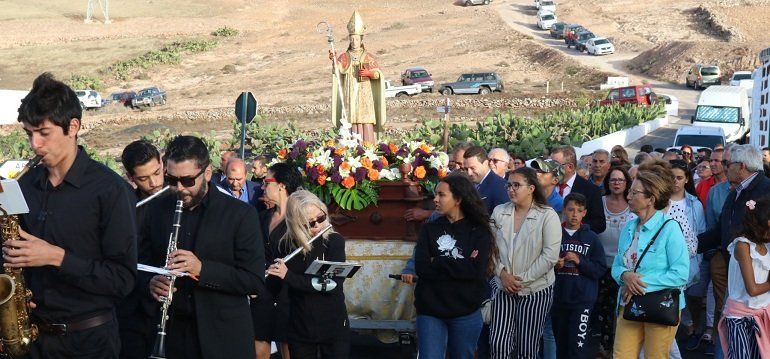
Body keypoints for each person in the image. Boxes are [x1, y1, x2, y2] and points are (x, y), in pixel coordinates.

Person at [3, 73, 137, 358]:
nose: (35, 144)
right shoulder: (25, 185)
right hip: (33, 340)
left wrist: (57, 257)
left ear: (73, 127)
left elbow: (122, 280)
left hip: (90, 343)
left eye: (44, 133)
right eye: (29, 133)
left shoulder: (111, 190)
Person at [145, 135, 263, 359]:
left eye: (188, 181)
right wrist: (150, 283)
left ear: (207, 173)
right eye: (172, 180)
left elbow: (254, 281)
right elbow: (140, 264)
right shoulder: (157, 210)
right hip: (173, 338)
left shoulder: (240, 214)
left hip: (224, 341)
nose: (179, 188)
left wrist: (202, 269)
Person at [612, 159, 689, 359]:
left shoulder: (670, 228)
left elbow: (680, 274)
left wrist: (637, 284)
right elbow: (617, 265)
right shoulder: (629, 228)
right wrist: (625, 276)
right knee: (621, 356)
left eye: (634, 192)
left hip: (661, 306)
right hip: (629, 304)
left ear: (651, 199)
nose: (628, 196)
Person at [698, 144, 770, 358]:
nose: (724, 167)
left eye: (727, 163)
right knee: (730, 317)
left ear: (741, 166)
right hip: (732, 265)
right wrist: (689, 245)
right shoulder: (735, 191)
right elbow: (721, 229)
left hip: (758, 271)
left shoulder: (766, 188)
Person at [412, 174, 493, 359]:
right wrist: (463, 263)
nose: (435, 199)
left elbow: (476, 270)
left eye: (441, 195)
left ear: (458, 199)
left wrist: (438, 261)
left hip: (466, 311)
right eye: (436, 194)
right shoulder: (429, 229)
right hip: (431, 310)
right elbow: (422, 268)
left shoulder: (479, 231)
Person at [266, 190, 350, 359]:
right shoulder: (285, 245)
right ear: (295, 224)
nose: (317, 226)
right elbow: (274, 288)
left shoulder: (334, 241)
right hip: (300, 324)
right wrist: (269, 277)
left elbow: (332, 285)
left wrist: (289, 276)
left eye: (321, 218)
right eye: (309, 223)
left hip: (333, 323)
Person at [490, 167, 561, 359]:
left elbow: (550, 256)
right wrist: (502, 274)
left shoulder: (547, 215)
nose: (511, 189)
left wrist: (520, 281)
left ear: (531, 188)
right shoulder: (499, 212)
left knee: (527, 347)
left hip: (535, 290)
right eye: (509, 185)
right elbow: (490, 248)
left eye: (516, 185)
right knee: (498, 342)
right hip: (503, 287)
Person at [119, 139, 168, 358]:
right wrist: (147, 283)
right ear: (131, 178)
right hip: (136, 312)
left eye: (157, 172)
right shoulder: (125, 209)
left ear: (162, 163)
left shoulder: (181, 199)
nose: (154, 183)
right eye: (143, 178)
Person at [252, 162, 304, 359]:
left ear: (281, 185)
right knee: (258, 342)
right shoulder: (262, 217)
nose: (262, 187)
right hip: (262, 289)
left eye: (267, 182)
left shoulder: (299, 219)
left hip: (288, 292)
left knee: (288, 345)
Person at [552, 193, 607, 359]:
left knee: (577, 347)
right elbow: (542, 263)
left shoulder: (591, 238)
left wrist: (579, 261)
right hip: (558, 298)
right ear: (564, 210)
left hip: (582, 301)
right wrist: (554, 265)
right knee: (561, 346)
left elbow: (600, 269)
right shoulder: (554, 234)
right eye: (570, 209)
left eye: (579, 210)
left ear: (585, 213)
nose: (574, 214)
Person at [717, 195, 770, 358]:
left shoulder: (767, 245)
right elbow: (752, 289)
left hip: (761, 313)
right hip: (738, 316)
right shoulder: (743, 245)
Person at [593, 166, 636, 357]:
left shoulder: (632, 204)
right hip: (601, 264)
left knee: (620, 310)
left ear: (627, 183)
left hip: (623, 268)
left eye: (620, 180)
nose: (617, 183)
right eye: (613, 180)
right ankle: (603, 347)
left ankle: (619, 349)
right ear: (607, 182)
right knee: (602, 309)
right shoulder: (599, 202)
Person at [667, 159, 706, 353]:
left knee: (691, 298)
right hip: (665, 261)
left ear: (687, 179)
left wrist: (697, 260)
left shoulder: (694, 204)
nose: (675, 181)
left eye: (679, 177)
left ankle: (692, 328)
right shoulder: (659, 200)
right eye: (672, 177)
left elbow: (700, 232)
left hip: (690, 259)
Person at [330, 10, 386, 143]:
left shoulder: (368, 56)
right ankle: (350, 145)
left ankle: (367, 146)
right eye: (352, 39)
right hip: (350, 93)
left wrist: (369, 73)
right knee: (350, 118)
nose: (354, 41)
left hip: (364, 93)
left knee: (365, 118)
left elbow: (378, 74)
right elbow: (337, 71)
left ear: (361, 40)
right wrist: (334, 60)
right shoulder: (344, 56)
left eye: (356, 39)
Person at [550, 145, 606, 234]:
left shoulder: (591, 190)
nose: (550, 169)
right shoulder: (545, 186)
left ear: (570, 167)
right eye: (549, 164)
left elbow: (599, 225)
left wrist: (573, 228)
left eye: (554, 165)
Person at [463, 146, 510, 214]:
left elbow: (502, 217)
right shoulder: (467, 185)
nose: (469, 173)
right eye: (466, 169)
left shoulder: (501, 187)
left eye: (472, 168)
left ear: (485, 163)